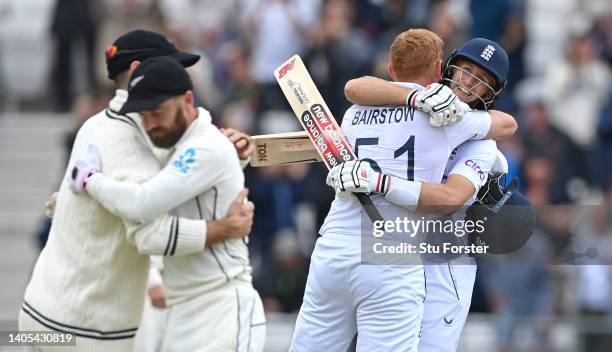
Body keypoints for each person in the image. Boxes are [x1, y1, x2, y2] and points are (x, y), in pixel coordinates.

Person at [18, 30, 254, 352]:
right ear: (137, 72)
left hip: (38, 315)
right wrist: (222, 229)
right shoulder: (131, 147)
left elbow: (168, 172)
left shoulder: (95, 124)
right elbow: (149, 234)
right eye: (169, 67)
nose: (178, 76)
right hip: (84, 331)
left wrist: (226, 161)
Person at [290, 29, 517, 351]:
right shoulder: (426, 110)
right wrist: (415, 97)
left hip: (440, 258)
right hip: (394, 252)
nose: (468, 82)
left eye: (481, 80)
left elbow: (454, 196)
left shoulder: (476, 136)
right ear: (445, 68)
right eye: (466, 70)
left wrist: (378, 182)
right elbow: (355, 87)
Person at [69, 56, 265, 352]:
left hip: (222, 308)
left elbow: (140, 204)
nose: (150, 124)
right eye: (143, 115)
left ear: (187, 99)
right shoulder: (179, 148)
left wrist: (90, 180)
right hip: (181, 310)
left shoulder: (205, 147)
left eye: (157, 112)